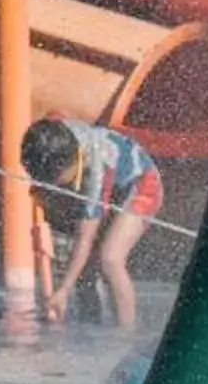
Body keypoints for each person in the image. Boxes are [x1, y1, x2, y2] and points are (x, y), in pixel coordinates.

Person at [22, 116, 162, 333]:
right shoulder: (55, 139)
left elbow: (84, 237)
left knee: (110, 258)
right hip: (115, 188)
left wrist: (63, 289)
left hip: (143, 184)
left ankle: (125, 336)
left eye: (53, 180)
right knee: (83, 269)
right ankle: (89, 326)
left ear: (71, 166)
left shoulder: (95, 172)